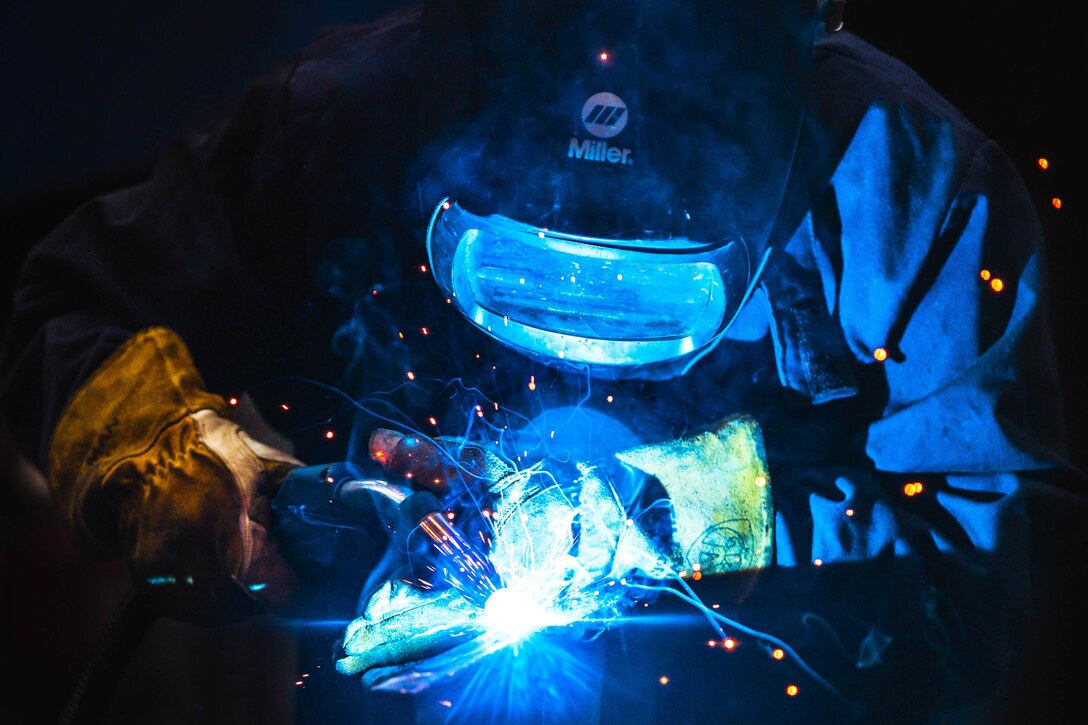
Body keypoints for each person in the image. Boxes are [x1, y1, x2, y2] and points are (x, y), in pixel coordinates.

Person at [2, 1, 1083, 722]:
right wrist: (202, 474)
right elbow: (70, 301)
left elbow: (1001, 563)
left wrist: (668, 508)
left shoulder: (905, 182)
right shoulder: (341, 119)